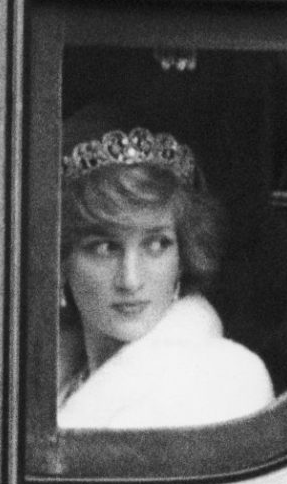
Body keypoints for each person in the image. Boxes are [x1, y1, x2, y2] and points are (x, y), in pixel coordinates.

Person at [57, 127, 274, 428]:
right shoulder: (49, 385)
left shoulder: (225, 384)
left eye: (156, 245)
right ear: (61, 262)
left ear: (183, 260)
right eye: (105, 247)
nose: (130, 280)